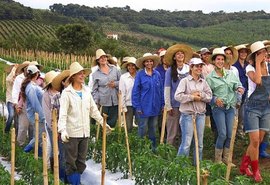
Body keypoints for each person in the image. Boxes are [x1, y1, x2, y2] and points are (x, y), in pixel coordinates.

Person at [58, 62, 111, 185]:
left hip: (84, 132)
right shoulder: (67, 93)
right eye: (79, 74)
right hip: (71, 133)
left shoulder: (87, 91)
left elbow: (93, 110)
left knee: (81, 162)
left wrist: (102, 123)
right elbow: (63, 114)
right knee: (71, 162)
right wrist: (63, 130)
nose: (82, 76)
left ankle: (73, 181)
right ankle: (74, 183)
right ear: (73, 77)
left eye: (83, 73)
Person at [206, 48, 244, 164]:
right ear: (214, 61)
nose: (220, 61)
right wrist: (214, 99)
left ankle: (226, 158)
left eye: (222, 59)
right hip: (218, 108)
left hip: (230, 107)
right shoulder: (210, 78)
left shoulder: (231, 74)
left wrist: (239, 89)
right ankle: (217, 160)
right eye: (218, 59)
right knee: (222, 133)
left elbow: (239, 85)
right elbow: (207, 95)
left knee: (229, 134)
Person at [239, 41, 270, 182]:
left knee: (259, 140)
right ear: (255, 55)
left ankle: (244, 165)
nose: (264, 54)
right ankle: (256, 170)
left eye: (264, 52)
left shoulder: (268, 67)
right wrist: (258, 63)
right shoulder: (250, 68)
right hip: (252, 106)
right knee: (255, 141)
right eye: (261, 52)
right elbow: (258, 81)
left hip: (266, 106)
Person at [175, 58, 212, 164]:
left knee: (199, 143)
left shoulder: (203, 82)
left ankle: (197, 165)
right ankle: (181, 167)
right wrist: (191, 97)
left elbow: (209, 96)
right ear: (191, 67)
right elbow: (177, 96)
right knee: (186, 142)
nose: (199, 68)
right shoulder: (185, 81)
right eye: (197, 66)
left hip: (200, 115)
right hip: (188, 115)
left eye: (201, 66)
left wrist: (201, 95)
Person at [132, 53, 164, 150]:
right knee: (143, 127)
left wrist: (162, 104)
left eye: (151, 61)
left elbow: (161, 90)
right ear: (144, 63)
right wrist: (137, 106)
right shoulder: (140, 75)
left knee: (153, 127)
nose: (149, 63)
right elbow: (135, 91)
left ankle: (153, 147)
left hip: (155, 106)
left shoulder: (157, 74)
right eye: (147, 61)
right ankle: (140, 147)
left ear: (153, 63)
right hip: (144, 106)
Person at [163, 44, 193, 148]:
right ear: (174, 57)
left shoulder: (189, 69)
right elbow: (167, 88)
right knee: (172, 131)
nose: (180, 55)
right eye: (177, 54)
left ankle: (182, 153)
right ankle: (169, 151)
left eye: (182, 53)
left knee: (184, 130)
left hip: (187, 104)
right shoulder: (170, 71)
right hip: (174, 105)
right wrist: (168, 105)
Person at [92, 49, 121, 128]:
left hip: (115, 101)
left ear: (107, 58)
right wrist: (96, 101)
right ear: (98, 60)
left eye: (104, 57)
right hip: (104, 102)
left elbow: (122, 82)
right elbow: (94, 90)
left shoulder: (115, 69)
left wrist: (115, 84)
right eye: (100, 58)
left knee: (112, 123)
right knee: (104, 123)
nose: (103, 59)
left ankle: (110, 139)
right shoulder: (95, 74)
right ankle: (103, 138)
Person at [21, 65, 46, 153]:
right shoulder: (30, 87)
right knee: (38, 137)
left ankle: (38, 154)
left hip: (37, 114)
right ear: (36, 74)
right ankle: (25, 152)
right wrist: (42, 116)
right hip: (36, 115)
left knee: (40, 136)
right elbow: (35, 104)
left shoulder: (32, 85)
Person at [51, 69, 70, 182]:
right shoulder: (57, 98)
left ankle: (70, 179)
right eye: (68, 80)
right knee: (63, 156)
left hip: (75, 130)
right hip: (62, 131)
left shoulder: (77, 95)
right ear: (63, 83)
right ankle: (63, 180)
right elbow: (54, 118)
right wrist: (58, 132)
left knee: (72, 157)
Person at [42, 70, 60, 170]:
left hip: (62, 125)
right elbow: (47, 114)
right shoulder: (46, 95)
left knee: (61, 149)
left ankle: (58, 168)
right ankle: (51, 168)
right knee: (53, 147)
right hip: (51, 126)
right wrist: (54, 128)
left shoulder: (62, 91)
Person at [233, 44, 250, 138]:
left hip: (246, 91)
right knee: (235, 113)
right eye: (241, 52)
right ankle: (234, 133)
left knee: (242, 114)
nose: (243, 54)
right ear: (238, 53)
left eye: (245, 52)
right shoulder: (234, 65)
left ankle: (240, 131)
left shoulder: (247, 65)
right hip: (237, 92)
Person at [119, 57, 138, 132]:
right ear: (127, 67)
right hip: (128, 104)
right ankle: (128, 141)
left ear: (136, 66)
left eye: (133, 65)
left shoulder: (139, 76)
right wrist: (123, 106)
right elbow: (122, 92)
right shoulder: (123, 77)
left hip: (138, 104)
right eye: (129, 65)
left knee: (140, 124)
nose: (131, 67)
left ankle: (139, 141)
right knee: (128, 126)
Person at [4, 64, 18, 133]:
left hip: (16, 102)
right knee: (11, 115)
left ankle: (15, 132)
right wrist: (14, 70)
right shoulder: (9, 79)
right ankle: (6, 130)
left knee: (16, 117)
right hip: (10, 100)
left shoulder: (18, 80)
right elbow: (9, 79)